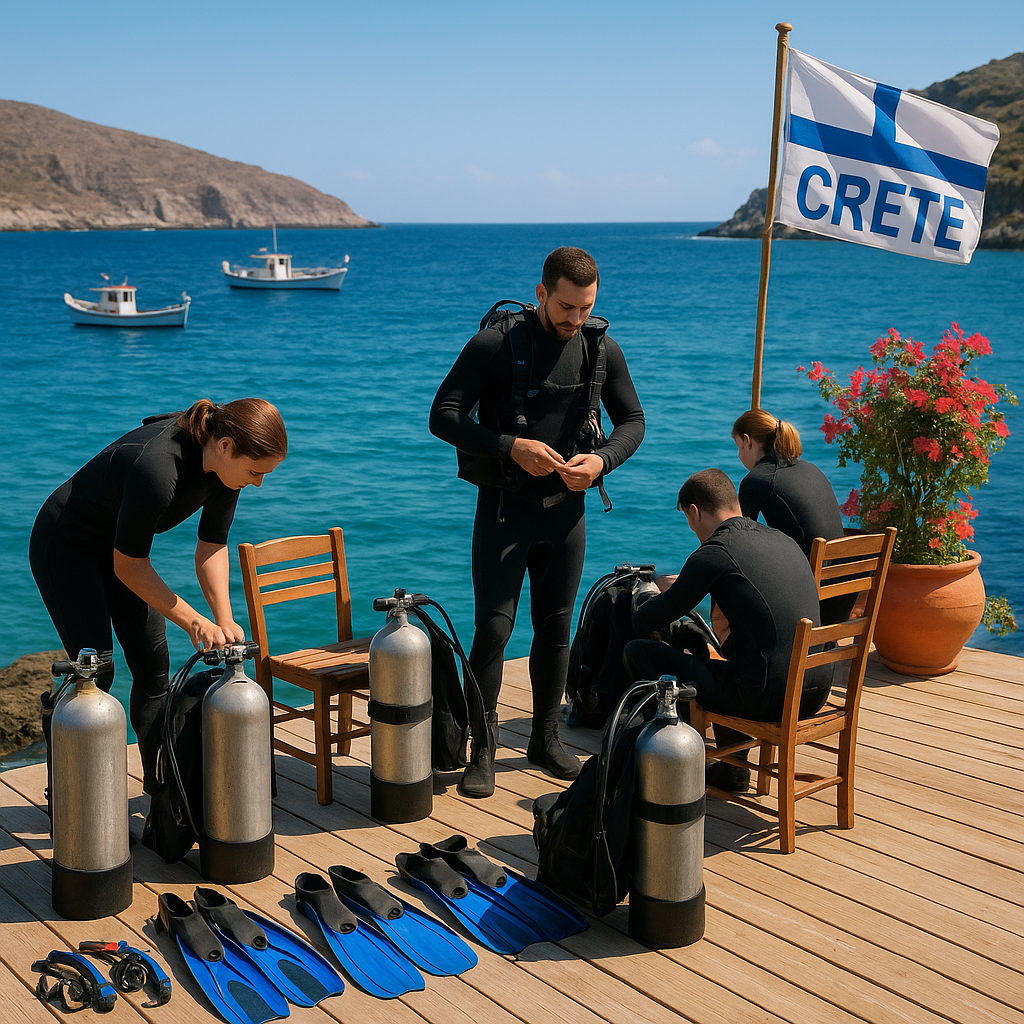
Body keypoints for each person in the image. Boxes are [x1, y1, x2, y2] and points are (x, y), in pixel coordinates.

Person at [429, 246, 645, 797]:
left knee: (555, 628)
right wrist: (509, 447)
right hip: (504, 511)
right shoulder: (494, 345)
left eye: (585, 307)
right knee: (495, 630)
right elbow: (444, 416)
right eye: (566, 307)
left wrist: (601, 461)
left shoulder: (601, 350)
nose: (575, 319)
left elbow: (633, 421)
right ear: (541, 294)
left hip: (566, 516)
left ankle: (545, 738)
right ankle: (482, 749)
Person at [29, 398, 288, 794]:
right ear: (225, 446)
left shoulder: (226, 473)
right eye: (256, 472)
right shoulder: (158, 468)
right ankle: (72, 792)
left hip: (120, 549)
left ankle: (162, 792)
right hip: (66, 546)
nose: (258, 483)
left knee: (154, 668)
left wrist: (223, 617)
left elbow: (211, 547)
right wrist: (194, 621)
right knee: (96, 671)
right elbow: (130, 567)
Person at [625, 468, 832, 793]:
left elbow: (646, 621)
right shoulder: (782, 538)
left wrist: (652, 593)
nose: (692, 529)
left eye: (689, 520)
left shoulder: (713, 553)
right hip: (815, 689)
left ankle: (679, 763)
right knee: (727, 664)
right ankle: (732, 771)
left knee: (638, 652)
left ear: (695, 512)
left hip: (768, 697)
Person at [732, 408, 854, 625]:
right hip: (841, 602)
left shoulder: (758, 480)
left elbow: (742, 545)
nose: (739, 455)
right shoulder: (811, 469)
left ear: (747, 441)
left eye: (738, 447)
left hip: (809, 611)